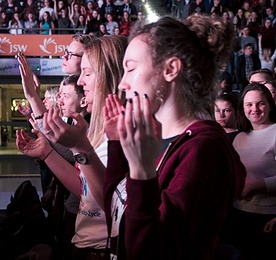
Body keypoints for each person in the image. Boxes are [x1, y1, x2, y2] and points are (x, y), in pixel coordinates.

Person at [103, 15, 246, 259]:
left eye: (131, 69)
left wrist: (141, 172)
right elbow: (118, 222)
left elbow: (150, 252)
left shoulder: (203, 148)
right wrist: (117, 145)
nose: (123, 84)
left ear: (170, 69)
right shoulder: (151, 139)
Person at [16, 35, 127, 259]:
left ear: (109, 75)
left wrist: (79, 148)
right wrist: (47, 153)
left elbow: (111, 201)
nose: (80, 81)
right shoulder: (98, 128)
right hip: (84, 242)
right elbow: (84, 188)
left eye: (87, 73)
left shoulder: (123, 131)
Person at [222, 83, 276, 260]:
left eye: (260, 103)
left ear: (269, 104)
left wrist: (257, 185)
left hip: (267, 218)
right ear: (242, 108)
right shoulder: (239, 137)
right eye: (249, 104)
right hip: (238, 213)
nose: (255, 109)